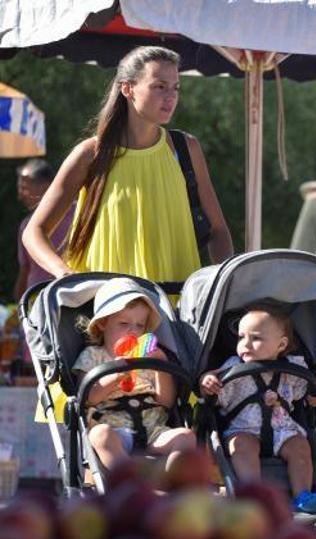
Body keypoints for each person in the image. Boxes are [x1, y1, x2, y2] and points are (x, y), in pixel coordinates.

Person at [22, 45, 233, 283]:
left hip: (176, 306)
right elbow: (34, 232)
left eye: (175, 88)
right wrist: (64, 272)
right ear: (127, 88)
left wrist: (223, 282)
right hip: (105, 310)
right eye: (159, 86)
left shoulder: (186, 149)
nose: (171, 96)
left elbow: (218, 230)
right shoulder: (90, 155)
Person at [199, 306, 316, 514]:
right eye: (242, 337)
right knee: (241, 445)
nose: (245, 344)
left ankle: (302, 495)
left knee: (301, 447)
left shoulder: (293, 367)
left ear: (281, 344)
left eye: (256, 338)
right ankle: (254, 494)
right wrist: (208, 382)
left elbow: (309, 389)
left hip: (283, 429)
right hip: (243, 429)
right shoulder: (233, 366)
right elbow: (212, 388)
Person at [73, 277, 196, 469]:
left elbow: (166, 402)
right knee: (99, 435)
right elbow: (88, 397)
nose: (133, 331)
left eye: (140, 325)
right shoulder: (92, 355)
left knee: (187, 437)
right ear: (102, 324)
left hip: (153, 430)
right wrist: (119, 371)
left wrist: (160, 366)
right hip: (114, 429)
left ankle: (171, 480)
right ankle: (128, 481)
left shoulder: (148, 357)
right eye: (124, 324)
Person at [14, 159, 73, 301]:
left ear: (46, 187)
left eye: (25, 188)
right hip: (37, 303)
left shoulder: (80, 214)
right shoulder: (26, 225)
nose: (20, 195)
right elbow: (25, 270)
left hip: (72, 296)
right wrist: (20, 306)